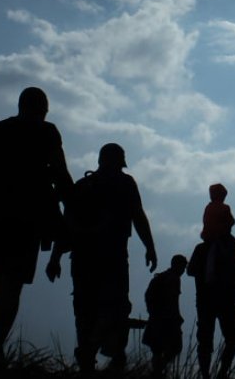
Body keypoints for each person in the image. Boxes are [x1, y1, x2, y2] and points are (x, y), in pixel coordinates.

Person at [0, 86, 73, 367]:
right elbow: (61, 173)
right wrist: (73, 209)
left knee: (1, 282)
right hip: (26, 221)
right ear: (43, 110)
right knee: (11, 285)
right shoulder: (47, 132)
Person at [46, 142, 158, 373]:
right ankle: (105, 355)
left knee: (85, 309)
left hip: (84, 258)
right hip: (112, 258)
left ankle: (90, 356)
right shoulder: (125, 183)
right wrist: (149, 247)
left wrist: (55, 259)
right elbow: (137, 215)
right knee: (113, 308)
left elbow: (67, 225)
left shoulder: (83, 185)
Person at [187, 231, 235, 379]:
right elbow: (191, 270)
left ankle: (219, 373)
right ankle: (212, 374)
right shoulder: (205, 248)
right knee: (209, 339)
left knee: (229, 337)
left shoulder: (230, 246)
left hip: (219, 300)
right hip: (212, 300)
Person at [143, 254, 189, 376]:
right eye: (182, 267)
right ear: (176, 265)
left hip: (160, 319)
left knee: (159, 350)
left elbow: (149, 296)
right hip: (165, 320)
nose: (183, 271)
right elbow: (170, 301)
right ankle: (157, 372)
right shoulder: (171, 278)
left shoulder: (165, 277)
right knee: (172, 347)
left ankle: (157, 372)